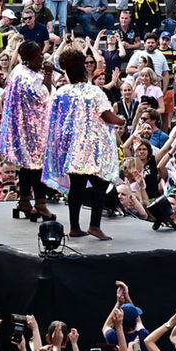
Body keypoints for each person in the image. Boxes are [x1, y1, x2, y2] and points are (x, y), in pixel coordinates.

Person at [43, 42, 120, 240]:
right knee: (101, 183)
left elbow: (53, 119)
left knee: (76, 187)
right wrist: (122, 120)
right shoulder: (94, 92)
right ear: (84, 68)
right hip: (92, 150)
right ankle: (94, 225)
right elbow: (107, 116)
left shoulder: (61, 92)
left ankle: (75, 227)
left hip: (71, 149)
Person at [0, 36, 54, 222]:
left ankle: (24, 200)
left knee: (28, 166)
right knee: (37, 166)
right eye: (38, 56)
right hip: (32, 129)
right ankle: (40, 203)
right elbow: (45, 95)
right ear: (28, 58)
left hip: (24, 127)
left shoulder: (19, 71)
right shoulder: (26, 77)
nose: (42, 59)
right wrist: (48, 75)